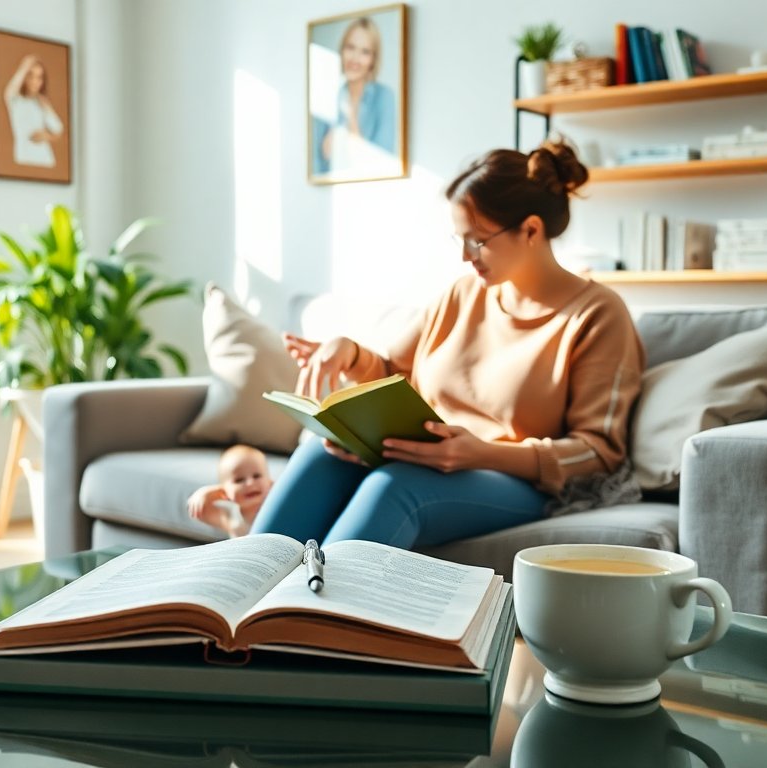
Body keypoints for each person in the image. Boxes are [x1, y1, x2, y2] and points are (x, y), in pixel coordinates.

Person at [251, 139, 645, 549]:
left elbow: (599, 452)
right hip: (427, 458)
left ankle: (312, 611)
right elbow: (392, 370)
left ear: (531, 230)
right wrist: (348, 351)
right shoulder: (462, 294)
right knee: (323, 454)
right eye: (459, 238)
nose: (464, 256)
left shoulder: (597, 315)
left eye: (477, 240)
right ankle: (229, 597)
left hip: (517, 481)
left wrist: (482, 453)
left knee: (398, 486)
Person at [313, 16, 396, 175]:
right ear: (341, 51)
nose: (355, 59)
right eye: (350, 48)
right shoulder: (328, 96)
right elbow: (320, 163)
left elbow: (382, 163)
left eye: (365, 52)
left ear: (373, 59)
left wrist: (350, 118)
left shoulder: (384, 97)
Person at [187, 444, 275, 538]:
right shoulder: (229, 518)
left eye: (257, 476)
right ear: (224, 492)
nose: (250, 483)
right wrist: (203, 493)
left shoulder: (275, 503)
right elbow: (198, 511)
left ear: (270, 482)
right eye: (239, 480)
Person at [4, 54, 64, 168]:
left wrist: (46, 136)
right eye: (30, 76)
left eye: (39, 77)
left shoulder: (41, 103)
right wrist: (26, 65)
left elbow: (58, 129)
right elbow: (12, 87)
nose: (34, 81)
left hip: (45, 158)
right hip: (24, 156)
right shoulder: (15, 100)